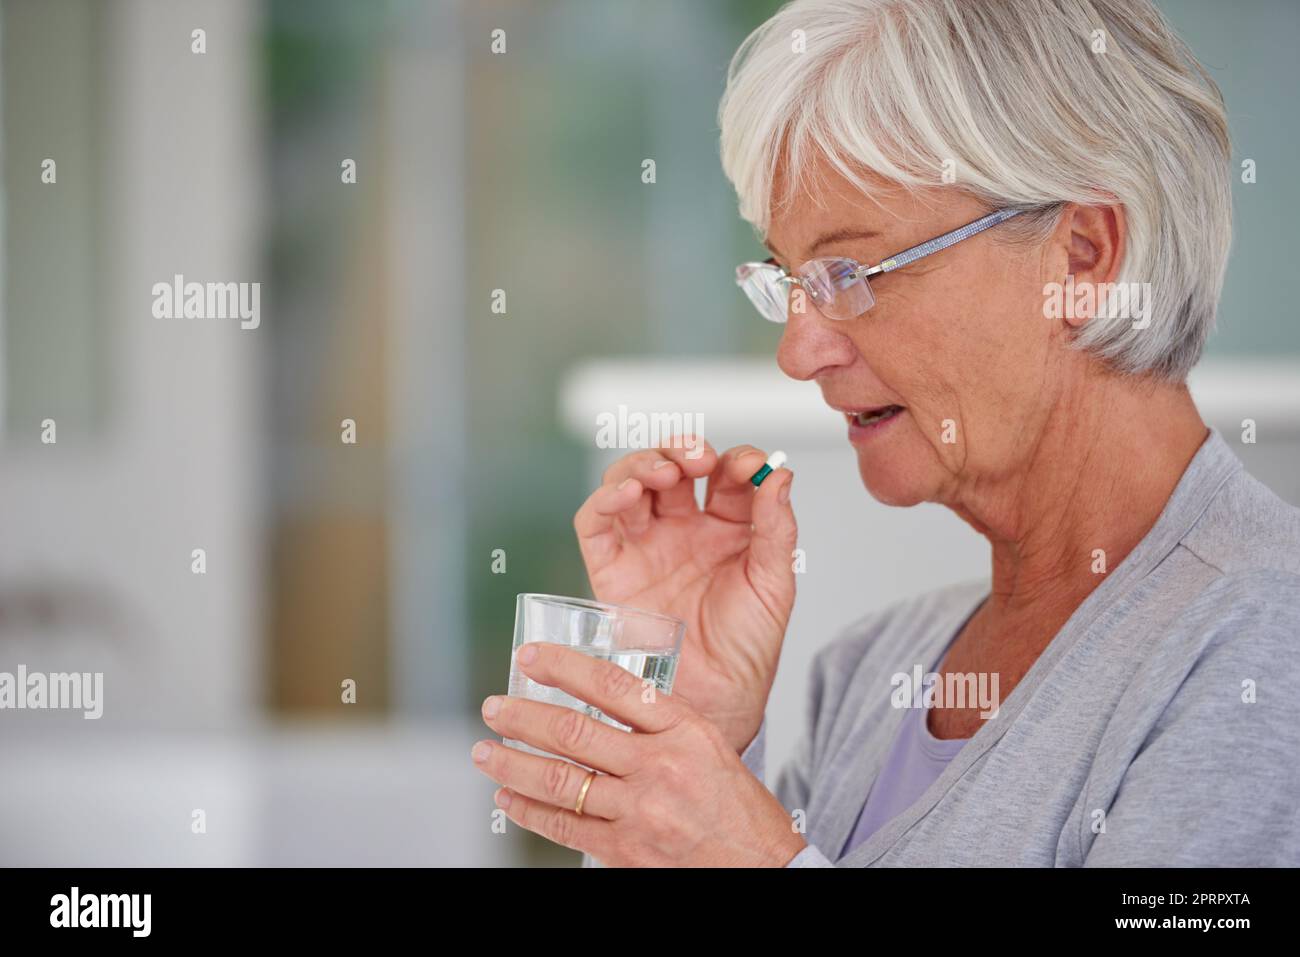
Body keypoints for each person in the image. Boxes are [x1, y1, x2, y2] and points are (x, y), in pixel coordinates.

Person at [471, 0, 1300, 866]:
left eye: (851, 271)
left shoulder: (1265, 643)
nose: (799, 352)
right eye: (790, 278)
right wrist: (696, 736)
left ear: (1083, 258)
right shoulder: (870, 671)